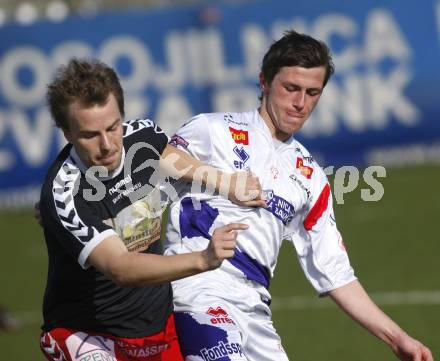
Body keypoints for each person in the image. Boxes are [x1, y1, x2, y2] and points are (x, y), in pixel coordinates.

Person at [164, 30, 434, 361]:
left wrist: (397, 339)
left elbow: (335, 272)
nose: (300, 103)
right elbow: (159, 159)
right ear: (264, 81)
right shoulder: (213, 129)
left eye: (312, 93)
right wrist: (223, 181)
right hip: (201, 289)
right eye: (291, 88)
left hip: (255, 310)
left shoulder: (312, 177)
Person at [38, 59, 264, 361]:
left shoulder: (143, 136)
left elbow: (169, 159)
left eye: (113, 127)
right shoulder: (65, 193)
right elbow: (121, 268)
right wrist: (202, 258)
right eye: (90, 135)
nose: (107, 144)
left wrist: (227, 182)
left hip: (156, 325)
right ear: (66, 133)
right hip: (87, 333)